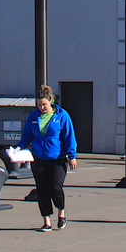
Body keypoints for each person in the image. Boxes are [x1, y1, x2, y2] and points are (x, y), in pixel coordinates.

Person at [19, 85, 78, 232]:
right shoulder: (33, 117)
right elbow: (26, 135)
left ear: (51, 101)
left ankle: (61, 212)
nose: (41, 107)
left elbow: (69, 136)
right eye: (39, 105)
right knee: (42, 190)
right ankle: (46, 221)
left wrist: (72, 156)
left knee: (55, 188)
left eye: (44, 104)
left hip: (57, 158)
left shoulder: (62, 115)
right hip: (39, 158)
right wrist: (20, 147)